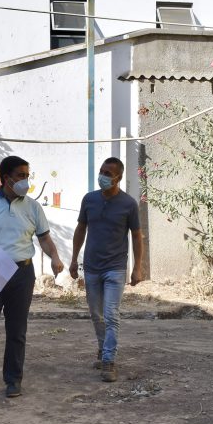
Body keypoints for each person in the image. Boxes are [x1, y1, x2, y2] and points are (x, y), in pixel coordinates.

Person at [0, 155, 64, 400]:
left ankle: (13, 380)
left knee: (17, 328)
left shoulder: (33, 207)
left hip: (22, 272)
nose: (25, 180)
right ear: (6, 178)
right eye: (20, 175)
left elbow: (44, 238)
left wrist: (54, 257)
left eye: (27, 175)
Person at [68, 157, 143, 383]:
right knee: (96, 314)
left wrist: (137, 268)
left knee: (111, 314)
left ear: (118, 178)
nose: (103, 176)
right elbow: (81, 229)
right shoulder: (89, 200)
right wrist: (73, 259)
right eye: (102, 171)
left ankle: (109, 359)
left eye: (108, 173)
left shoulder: (129, 204)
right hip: (91, 267)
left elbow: (137, 237)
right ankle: (103, 349)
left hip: (115, 268)